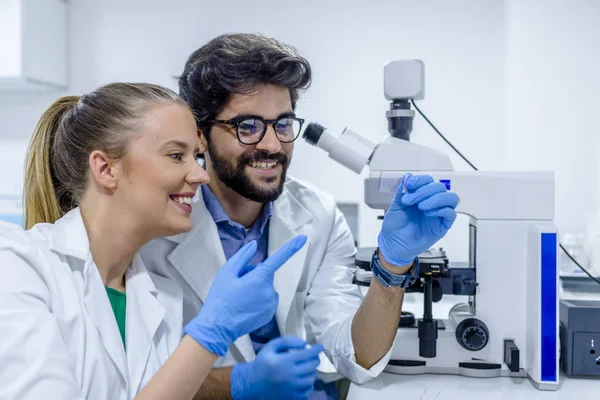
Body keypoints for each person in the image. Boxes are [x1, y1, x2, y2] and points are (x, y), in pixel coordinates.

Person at [140, 33, 459, 400]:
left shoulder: (319, 215)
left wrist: (393, 265)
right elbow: (140, 377)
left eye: (283, 123)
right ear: (200, 135)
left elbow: (355, 355)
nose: (273, 145)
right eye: (247, 126)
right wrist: (239, 383)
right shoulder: (155, 228)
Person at [0, 82, 323, 400]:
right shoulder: (18, 265)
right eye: (175, 155)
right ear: (105, 168)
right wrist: (211, 333)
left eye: (195, 157)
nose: (200, 176)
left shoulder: (159, 297)